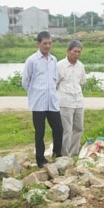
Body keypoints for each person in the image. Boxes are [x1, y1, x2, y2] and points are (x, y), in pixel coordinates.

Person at [22, 31, 63, 168]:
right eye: (44, 43)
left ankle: (57, 154)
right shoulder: (32, 60)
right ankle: (40, 159)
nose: (47, 46)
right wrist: (35, 92)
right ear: (38, 44)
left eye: (50, 43)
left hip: (52, 101)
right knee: (40, 132)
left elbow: (55, 79)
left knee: (58, 128)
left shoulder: (53, 60)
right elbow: (25, 81)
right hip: (38, 102)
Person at [57, 40, 87, 156]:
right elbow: (55, 84)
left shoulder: (81, 66)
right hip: (65, 102)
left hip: (78, 101)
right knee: (67, 130)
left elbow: (81, 81)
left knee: (79, 128)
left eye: (79, 52)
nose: (77, 54)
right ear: (68, 51)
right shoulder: (60, 65)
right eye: (75, 51)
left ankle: (74, 153)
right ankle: (64, 154)